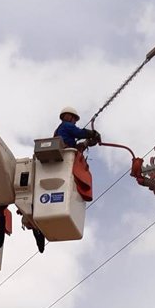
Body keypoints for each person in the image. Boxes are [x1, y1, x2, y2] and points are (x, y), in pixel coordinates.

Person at [31, 107, 101, 253]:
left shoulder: (62, 132)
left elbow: (75, 145)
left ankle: (40, 229)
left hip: (59, 163)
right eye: (74, 118)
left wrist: (87, 143)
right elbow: (78, 133)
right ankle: (41, 229)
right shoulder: (66, 126)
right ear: (67, 117)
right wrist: (92, 133)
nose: (75, 121)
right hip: (63, 162)